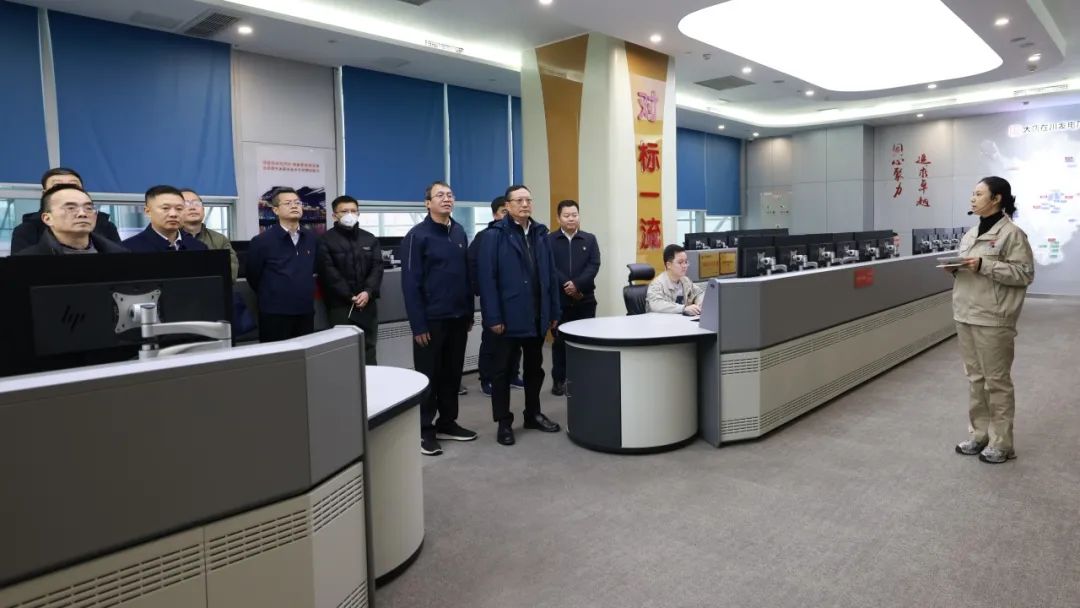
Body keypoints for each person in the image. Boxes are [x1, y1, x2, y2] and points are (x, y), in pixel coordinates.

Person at [949, 176, 1034, 464]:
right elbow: (970, 268)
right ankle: (979, 435)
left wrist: (985, 265)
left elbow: (1024, 274)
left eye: (978, 194)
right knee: (975, 379)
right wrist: (956, 268)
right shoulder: (971, 234)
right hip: (965, 313)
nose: (972, 199)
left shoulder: (1012, 234)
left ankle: (1002, 443)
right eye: (972, 194)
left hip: (993, 317)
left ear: (996, 198)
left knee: (996, 381)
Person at [478, 184, 562, 446]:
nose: (525, 204)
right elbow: (487, 280)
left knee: (535, 370)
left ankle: (532, 414)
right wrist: (493, 317)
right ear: (508, 205)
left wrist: (553, 310)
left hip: (536, 316)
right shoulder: (494, 236)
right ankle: (504, 422)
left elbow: (550, 276)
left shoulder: (540, 233)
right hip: (507, 317)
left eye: (528, 200)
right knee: (502, 372)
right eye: (519, 200)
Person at [400, 181, 478, 456]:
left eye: (450, 195)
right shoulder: (417, 236)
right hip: (431, 320)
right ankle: (424, 429)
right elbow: (410, 284)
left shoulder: (458, 231)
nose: (446, 199)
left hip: (458, 316)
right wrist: (418, 324)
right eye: (440, 195)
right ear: (427, 203)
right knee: (428, 376)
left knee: (452, 374)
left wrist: (469, 311)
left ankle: (447, 422)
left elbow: (466, 276)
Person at [317, 195, 383, 365]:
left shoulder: (370, 238)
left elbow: (377, 267)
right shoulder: (325, 240)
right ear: (334, 215)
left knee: (369, 347)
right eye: (344, 211)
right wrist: (349, 296)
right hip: (340, 305)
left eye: (353, 211)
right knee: (344, 350)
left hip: (367, 303)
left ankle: (371, 380)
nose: (350, 214)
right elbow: (328, 272)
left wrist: (367, 292)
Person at [246, 188, 318, 343]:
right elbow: (253, 276)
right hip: (275, 313)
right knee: (276, 356)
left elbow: (313, 269)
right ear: (276, 210)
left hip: (305, 310)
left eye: (297, 202)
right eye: (288, 203)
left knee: (305, 355)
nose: (294, 206)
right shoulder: (261, 241)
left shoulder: (312, 238)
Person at [468, 195, 524, 396]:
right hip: (494, 300)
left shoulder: (519, 235)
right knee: (491, 341)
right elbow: (473, 265)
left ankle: (512, 375)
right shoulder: (485, 236)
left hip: (516, 300)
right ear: (495, 214)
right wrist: (481, 291)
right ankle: (486, 379)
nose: (508, 215)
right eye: (503, 212)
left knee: (515, 342)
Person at [548, 199, 601, 396]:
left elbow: (594, 265)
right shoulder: (549, 240)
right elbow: (550, 267)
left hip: (585, 299)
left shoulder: (589, 239)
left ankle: (584, 378)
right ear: (558, 218)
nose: (571, 219)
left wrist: (577, 285)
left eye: (574, 215)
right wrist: (567, 285)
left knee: (585, 342)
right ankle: (559, 380)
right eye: (567, 215)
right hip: (559, 301)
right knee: (560, 343)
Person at [10, 168, 121, 253]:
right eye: (58, 186)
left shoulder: (105, 227)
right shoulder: (27, 230)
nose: (67, 190)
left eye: (73, 186)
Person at [123, 185, 209, 253]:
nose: (173, 214)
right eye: (165, 208)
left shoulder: (199, 247)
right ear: (148, 211)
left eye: (179, 208)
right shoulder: (127, 249)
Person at [180, 188, 239, 280]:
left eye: (196, 203)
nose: (192, 208)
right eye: (186, 204)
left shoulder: (219, 239)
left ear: (203, 210)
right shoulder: (170, 239)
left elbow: (231, 274)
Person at [647, 244, 705, 315]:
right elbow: (656, 305)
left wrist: (699, 305)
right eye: (680, 262)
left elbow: (699, 293)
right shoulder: (657, 284)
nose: (685, 266)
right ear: (669, 265)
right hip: (663, 320)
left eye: (686, 262)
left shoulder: (685, 280)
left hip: (682, 319)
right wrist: (683, 308)